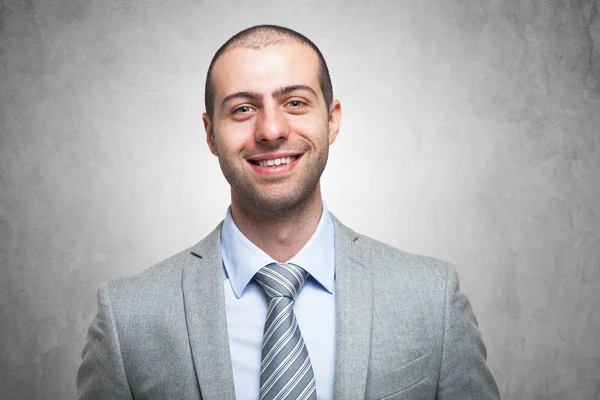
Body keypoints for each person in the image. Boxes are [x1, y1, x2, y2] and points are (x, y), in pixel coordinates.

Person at [77, 24, 500, 400]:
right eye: (243, 108)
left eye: (295, 102)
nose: (272, 130)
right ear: (210, 134)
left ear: (332, 121)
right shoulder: (127, 318)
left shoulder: (432, 299)